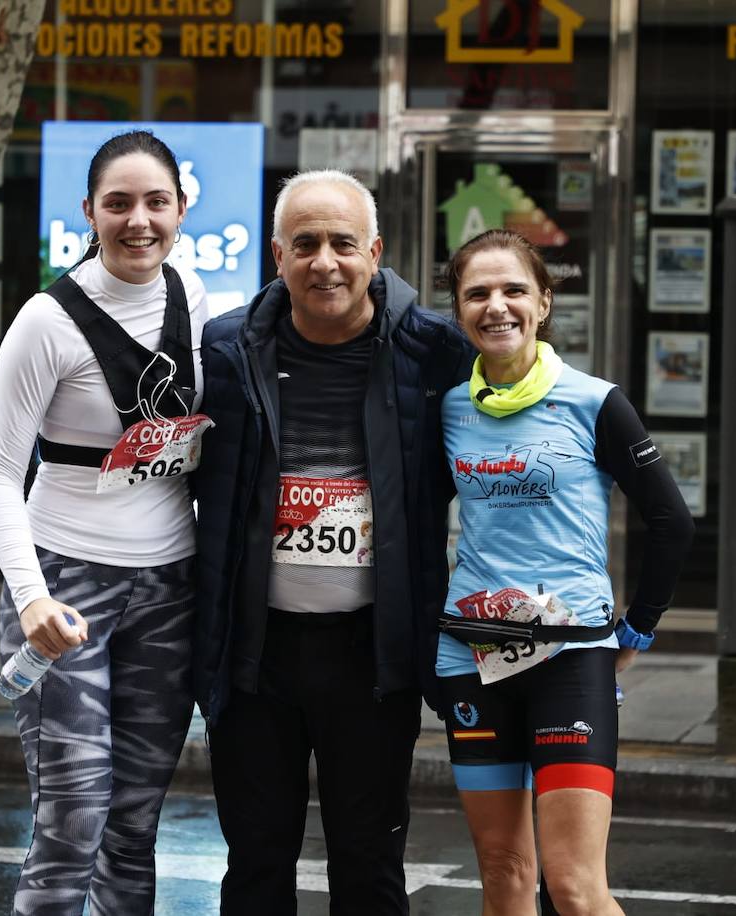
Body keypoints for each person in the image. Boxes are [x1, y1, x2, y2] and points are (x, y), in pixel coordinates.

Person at [191, 169, 474, 915]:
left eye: (343, 243)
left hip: (372, 662)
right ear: (277, 256)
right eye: (306, 244)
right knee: (255, 864)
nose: (326, 262)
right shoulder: (225, 351)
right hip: (255, 662)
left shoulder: (435, 354)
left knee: (369, 866)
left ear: (374, 252)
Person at [0, 129, 209, 916]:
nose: (138, 220)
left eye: (156, 202)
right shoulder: (47, 322)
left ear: (181, 209)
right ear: (89, 211)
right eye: (118, 203)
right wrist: (33, 598)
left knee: (134, 825)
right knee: (71, 821)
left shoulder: (194, 294)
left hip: (169, 590)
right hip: (63, 587)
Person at [435, 230, 694, 915]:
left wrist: (636, 630)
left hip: (570, 653)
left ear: (543, 303)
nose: (497, 306)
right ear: (458, 311)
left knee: (575, 888)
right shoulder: (451, 409)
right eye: (478, 293)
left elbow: (671, 521)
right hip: (473, 653)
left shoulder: (594, 402)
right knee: (502, 871)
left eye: (514, 290)